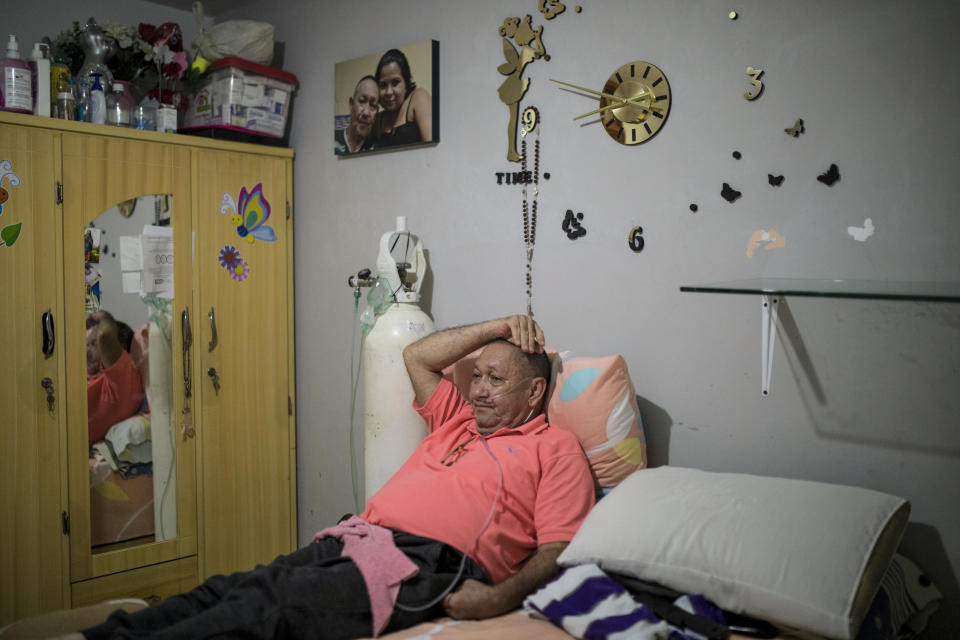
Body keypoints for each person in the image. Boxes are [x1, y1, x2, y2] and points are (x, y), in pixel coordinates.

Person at [75, 315, 594, 640]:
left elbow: (556, 548)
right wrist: (498, 328)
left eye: (495, 380)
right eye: (476, 375)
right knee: (239, 585)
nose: (478, 389)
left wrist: (499, 598)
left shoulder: (554, 448)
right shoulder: (457, 417)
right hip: (359, 536)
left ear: (533, 394)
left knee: (270, 608)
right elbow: (416, 354)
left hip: (425, 563)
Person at [86, 311, 145, 446]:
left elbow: (105, 336)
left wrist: (101, 316)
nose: (87, 351)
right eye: (87, 344)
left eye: (94, 344)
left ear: (121, 349)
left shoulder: (122, 382)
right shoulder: (91, 374)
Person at [373, 48, 433, 147]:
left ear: (406, 83)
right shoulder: (377, 120)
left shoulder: (418, 97)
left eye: (395, 82)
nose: (388, 92)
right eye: (383, 85)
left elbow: (431, 148)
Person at [335, 75, 379, 155]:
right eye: (362, 101)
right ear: (351, 105)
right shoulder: (332, 140)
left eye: (373, 105)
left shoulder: (377, 149)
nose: (366, 112)